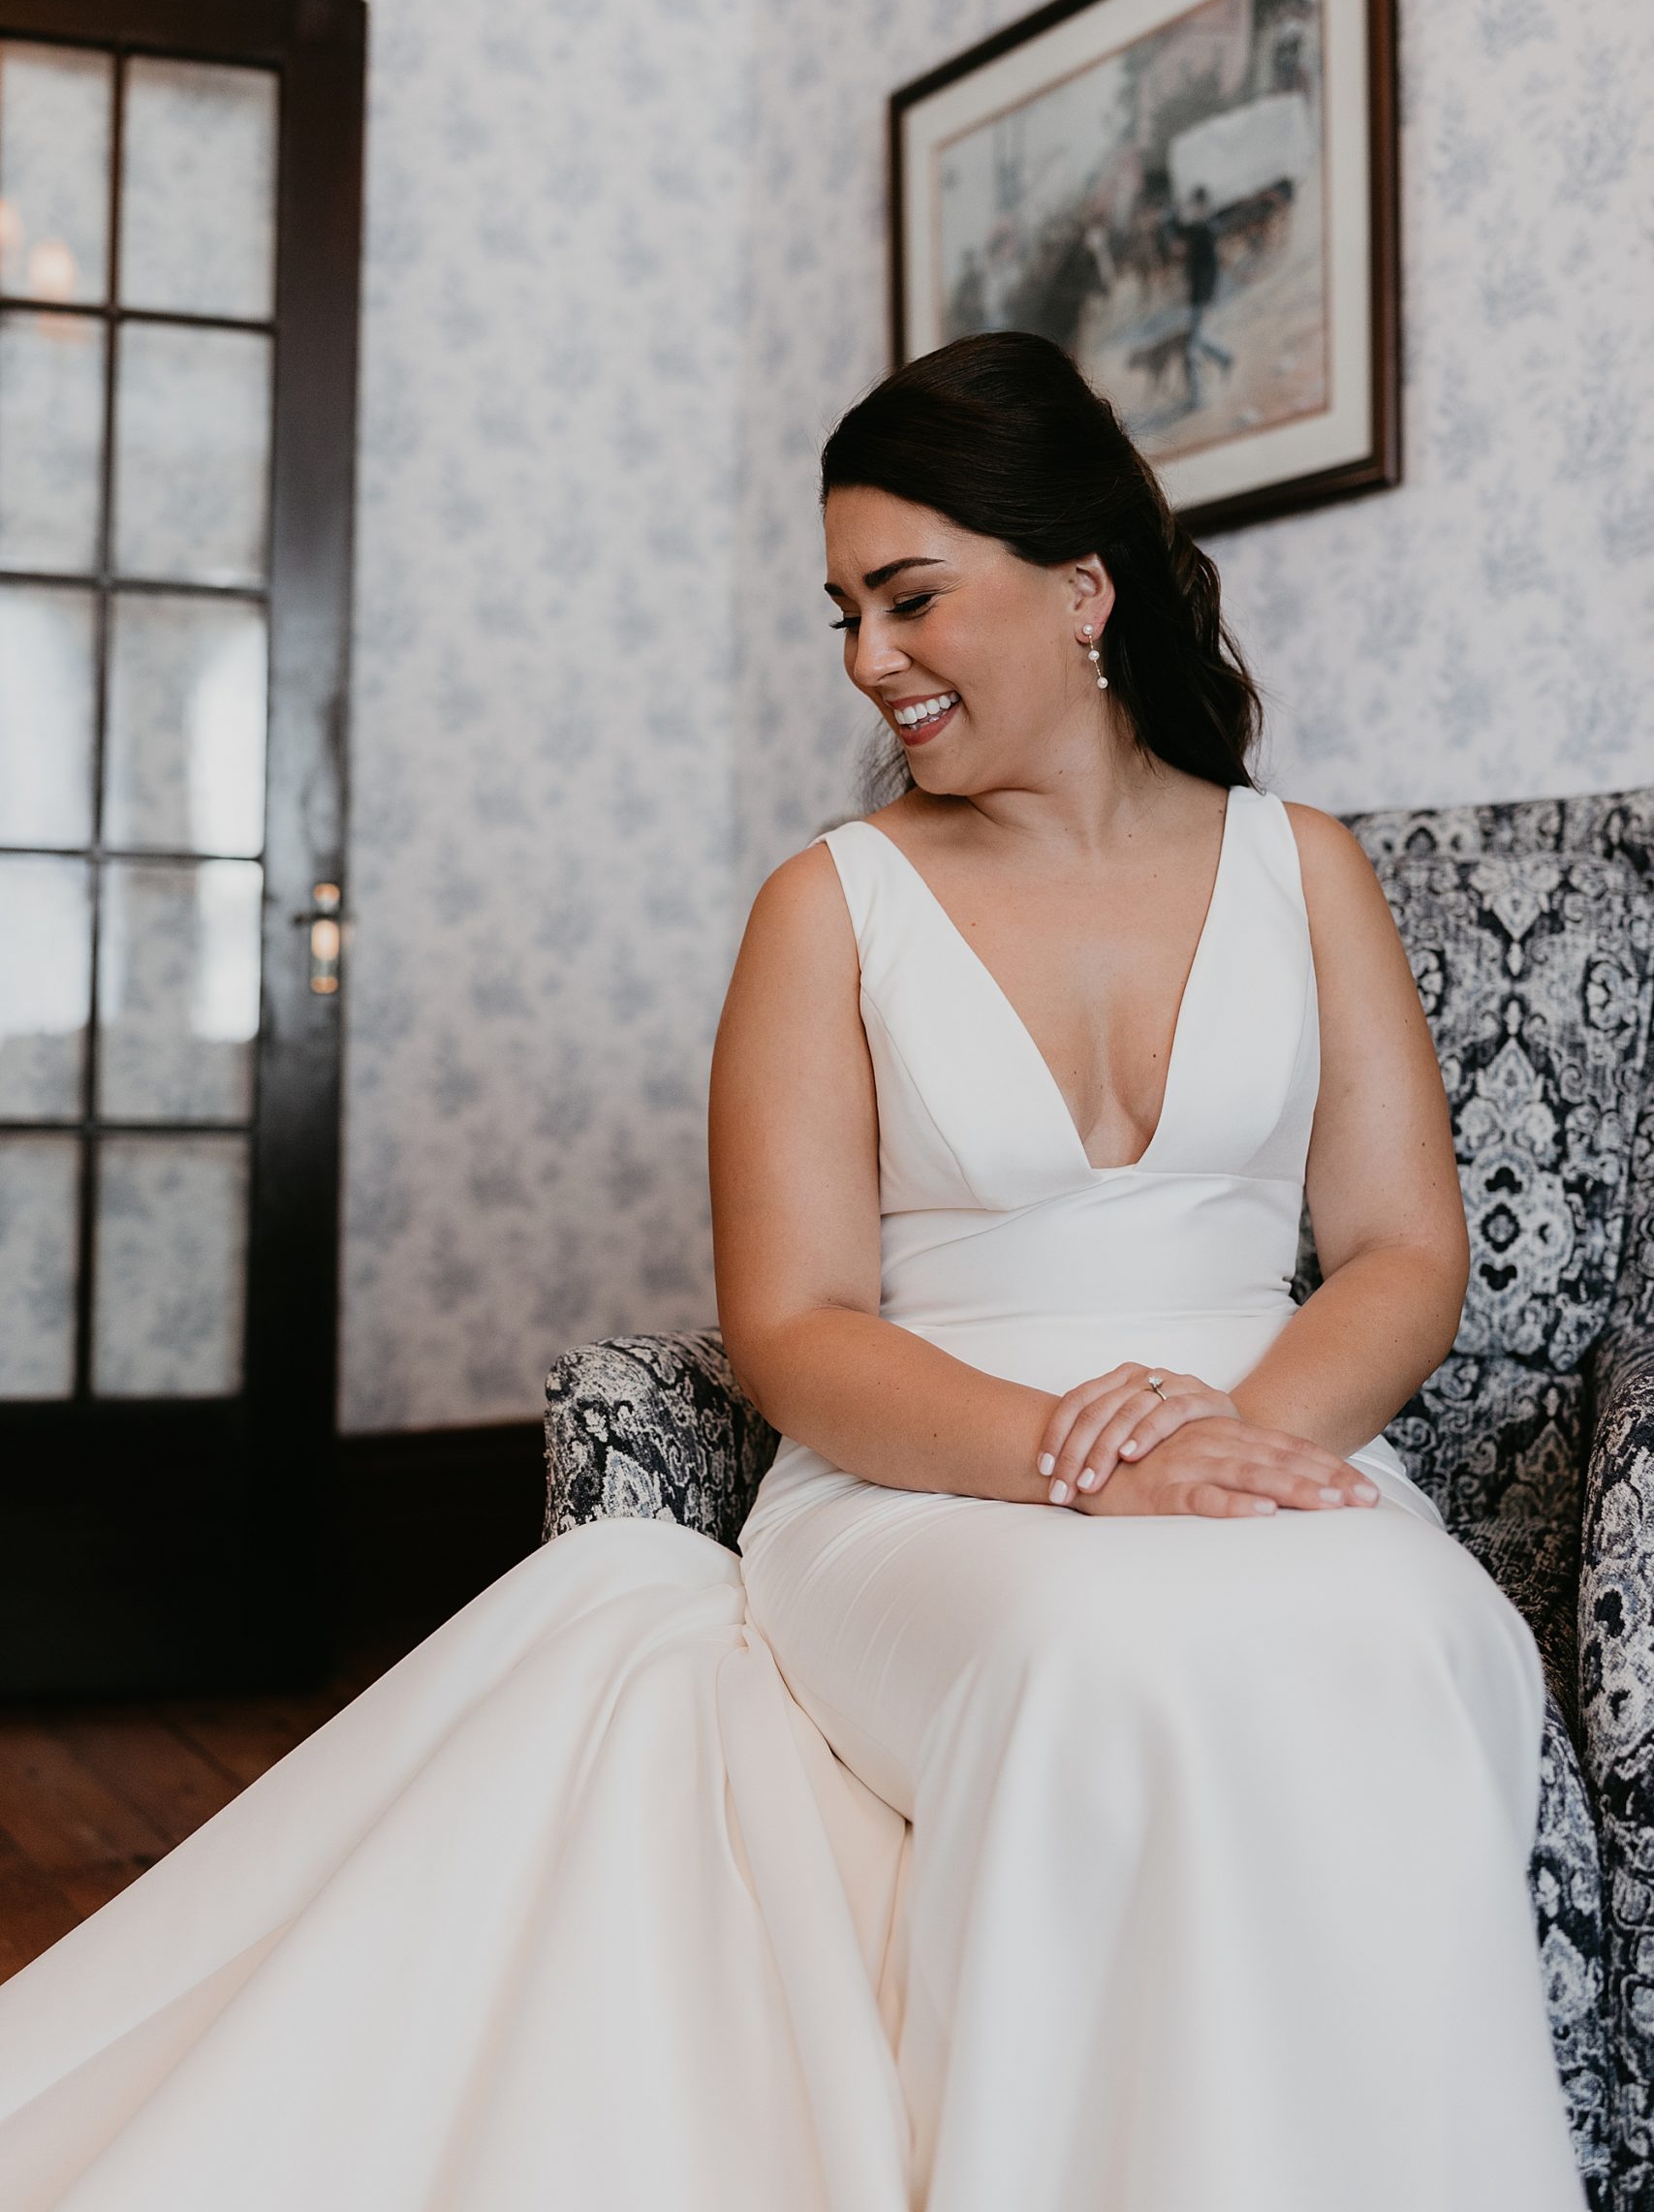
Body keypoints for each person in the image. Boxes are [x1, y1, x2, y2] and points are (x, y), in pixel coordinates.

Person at [0, 333, 1585, 2212]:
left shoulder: (1300, 865)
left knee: (1402, 1630)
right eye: (842, 608)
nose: (865, 659)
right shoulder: (828, 901)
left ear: (1082, 586)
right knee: (1102, 1655)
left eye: (908, 597)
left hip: (1273, 1432)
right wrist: (1088, 1455)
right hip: (924, 1471)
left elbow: (1405, 1246)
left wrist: (1233, 1436)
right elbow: (795, 1326)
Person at [1177, 182, 1233, 404]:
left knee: (1192, 351)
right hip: (1198, 298)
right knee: (1198, 341)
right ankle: (1225, 357)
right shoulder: (1200, 229)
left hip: (1202, 298)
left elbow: (1210, 270)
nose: (1196, 209)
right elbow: (1181, 230)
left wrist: (1203, 299)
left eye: (1198, 205)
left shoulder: (1206, 231)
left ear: (1204, 206)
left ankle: (1197, 398)